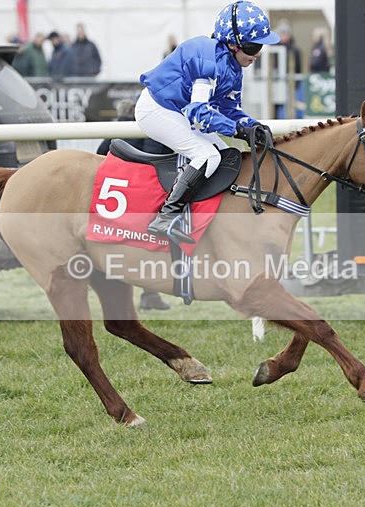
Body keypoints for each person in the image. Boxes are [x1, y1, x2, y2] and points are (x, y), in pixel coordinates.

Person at [134, 1, 280, 244]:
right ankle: (166, 217)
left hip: (177, 110)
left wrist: (252, 126)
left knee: (227, 154)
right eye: (253, 47)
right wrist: (237, 129)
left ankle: (208, 219)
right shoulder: (208, 59)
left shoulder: (233, 67)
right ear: (233, 44)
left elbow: (229, 109)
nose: (258, 54)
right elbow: (199, 112)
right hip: (157, 109)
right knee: (208, 156)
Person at [96, 98, 174, 311]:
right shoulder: (147, 126)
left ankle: (146, 294)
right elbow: (154, 157)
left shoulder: (118, 128)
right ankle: (150, 294)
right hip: (137, 190)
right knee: (148, 241)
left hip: (112, 190)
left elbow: (101, 153)